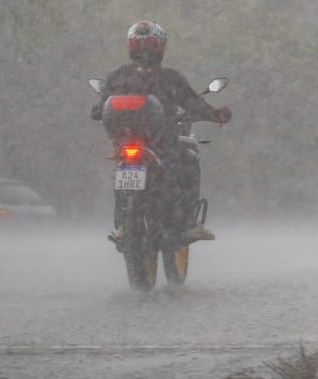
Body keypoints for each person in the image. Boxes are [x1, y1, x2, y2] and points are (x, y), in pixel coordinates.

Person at [92, 20, 230, 243]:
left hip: (126, 144)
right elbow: (194, 104)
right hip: (162, 145)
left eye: (147, 43)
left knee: (122, 173)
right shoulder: (169, 78)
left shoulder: (119, 76)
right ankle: (186, 225)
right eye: (143, 44)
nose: (145, 48)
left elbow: (99, 108)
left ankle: (121, 225)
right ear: (162, 47)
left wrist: (99, 110)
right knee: (190, 160)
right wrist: (218, 114)